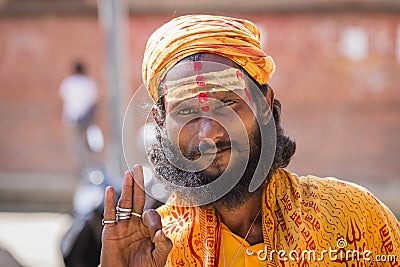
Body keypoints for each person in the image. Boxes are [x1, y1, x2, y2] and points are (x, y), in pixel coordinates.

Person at [100, 15, 400, 266]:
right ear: (162, 121)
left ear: (265, 104)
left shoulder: (352, 216)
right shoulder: (159, 247)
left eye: (228, 104)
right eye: (187, 111)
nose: (209, 133)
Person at [59, 61, 99, 168]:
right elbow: (93, 103)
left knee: (76, 145)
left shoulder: (68, 83)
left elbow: (63, 99)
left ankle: (82, 168)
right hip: (86, 119)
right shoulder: (89, 83)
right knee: (86, 144)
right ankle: (88, 167)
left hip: (71, 119)